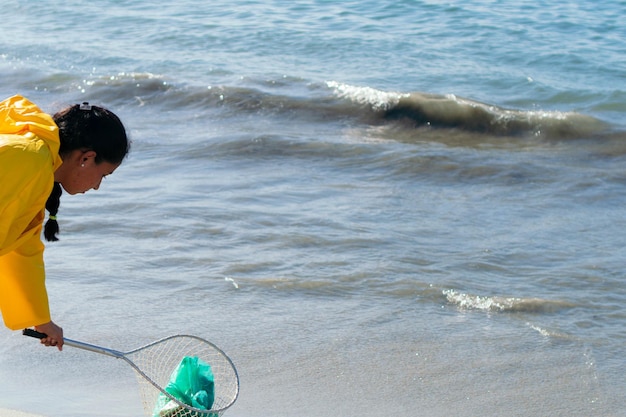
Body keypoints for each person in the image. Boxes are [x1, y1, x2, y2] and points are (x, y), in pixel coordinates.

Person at [0, 95, 130, 350]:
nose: (97, 186)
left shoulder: (39, 166)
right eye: (103, 175)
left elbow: (22, 251)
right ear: (87, 158)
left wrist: (40, 320)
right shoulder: (27, 157)